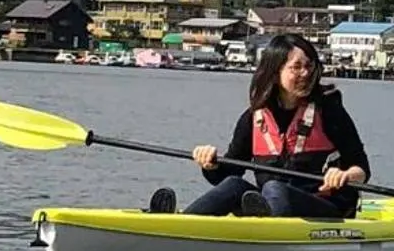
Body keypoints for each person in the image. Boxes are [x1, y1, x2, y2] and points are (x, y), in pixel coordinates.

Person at [148, 34, 371, 219]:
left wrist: (344, 175)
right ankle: (181, 223)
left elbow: (362, 170)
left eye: (309, 66)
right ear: (275, 72)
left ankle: (265, 228)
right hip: (274, 208)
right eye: (297, 67)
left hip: (324, 209)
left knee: (273, 187)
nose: (306, 73)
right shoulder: (253, 118)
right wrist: (210, 164)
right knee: (234, 185)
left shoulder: (330, 111)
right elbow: (226, 174)